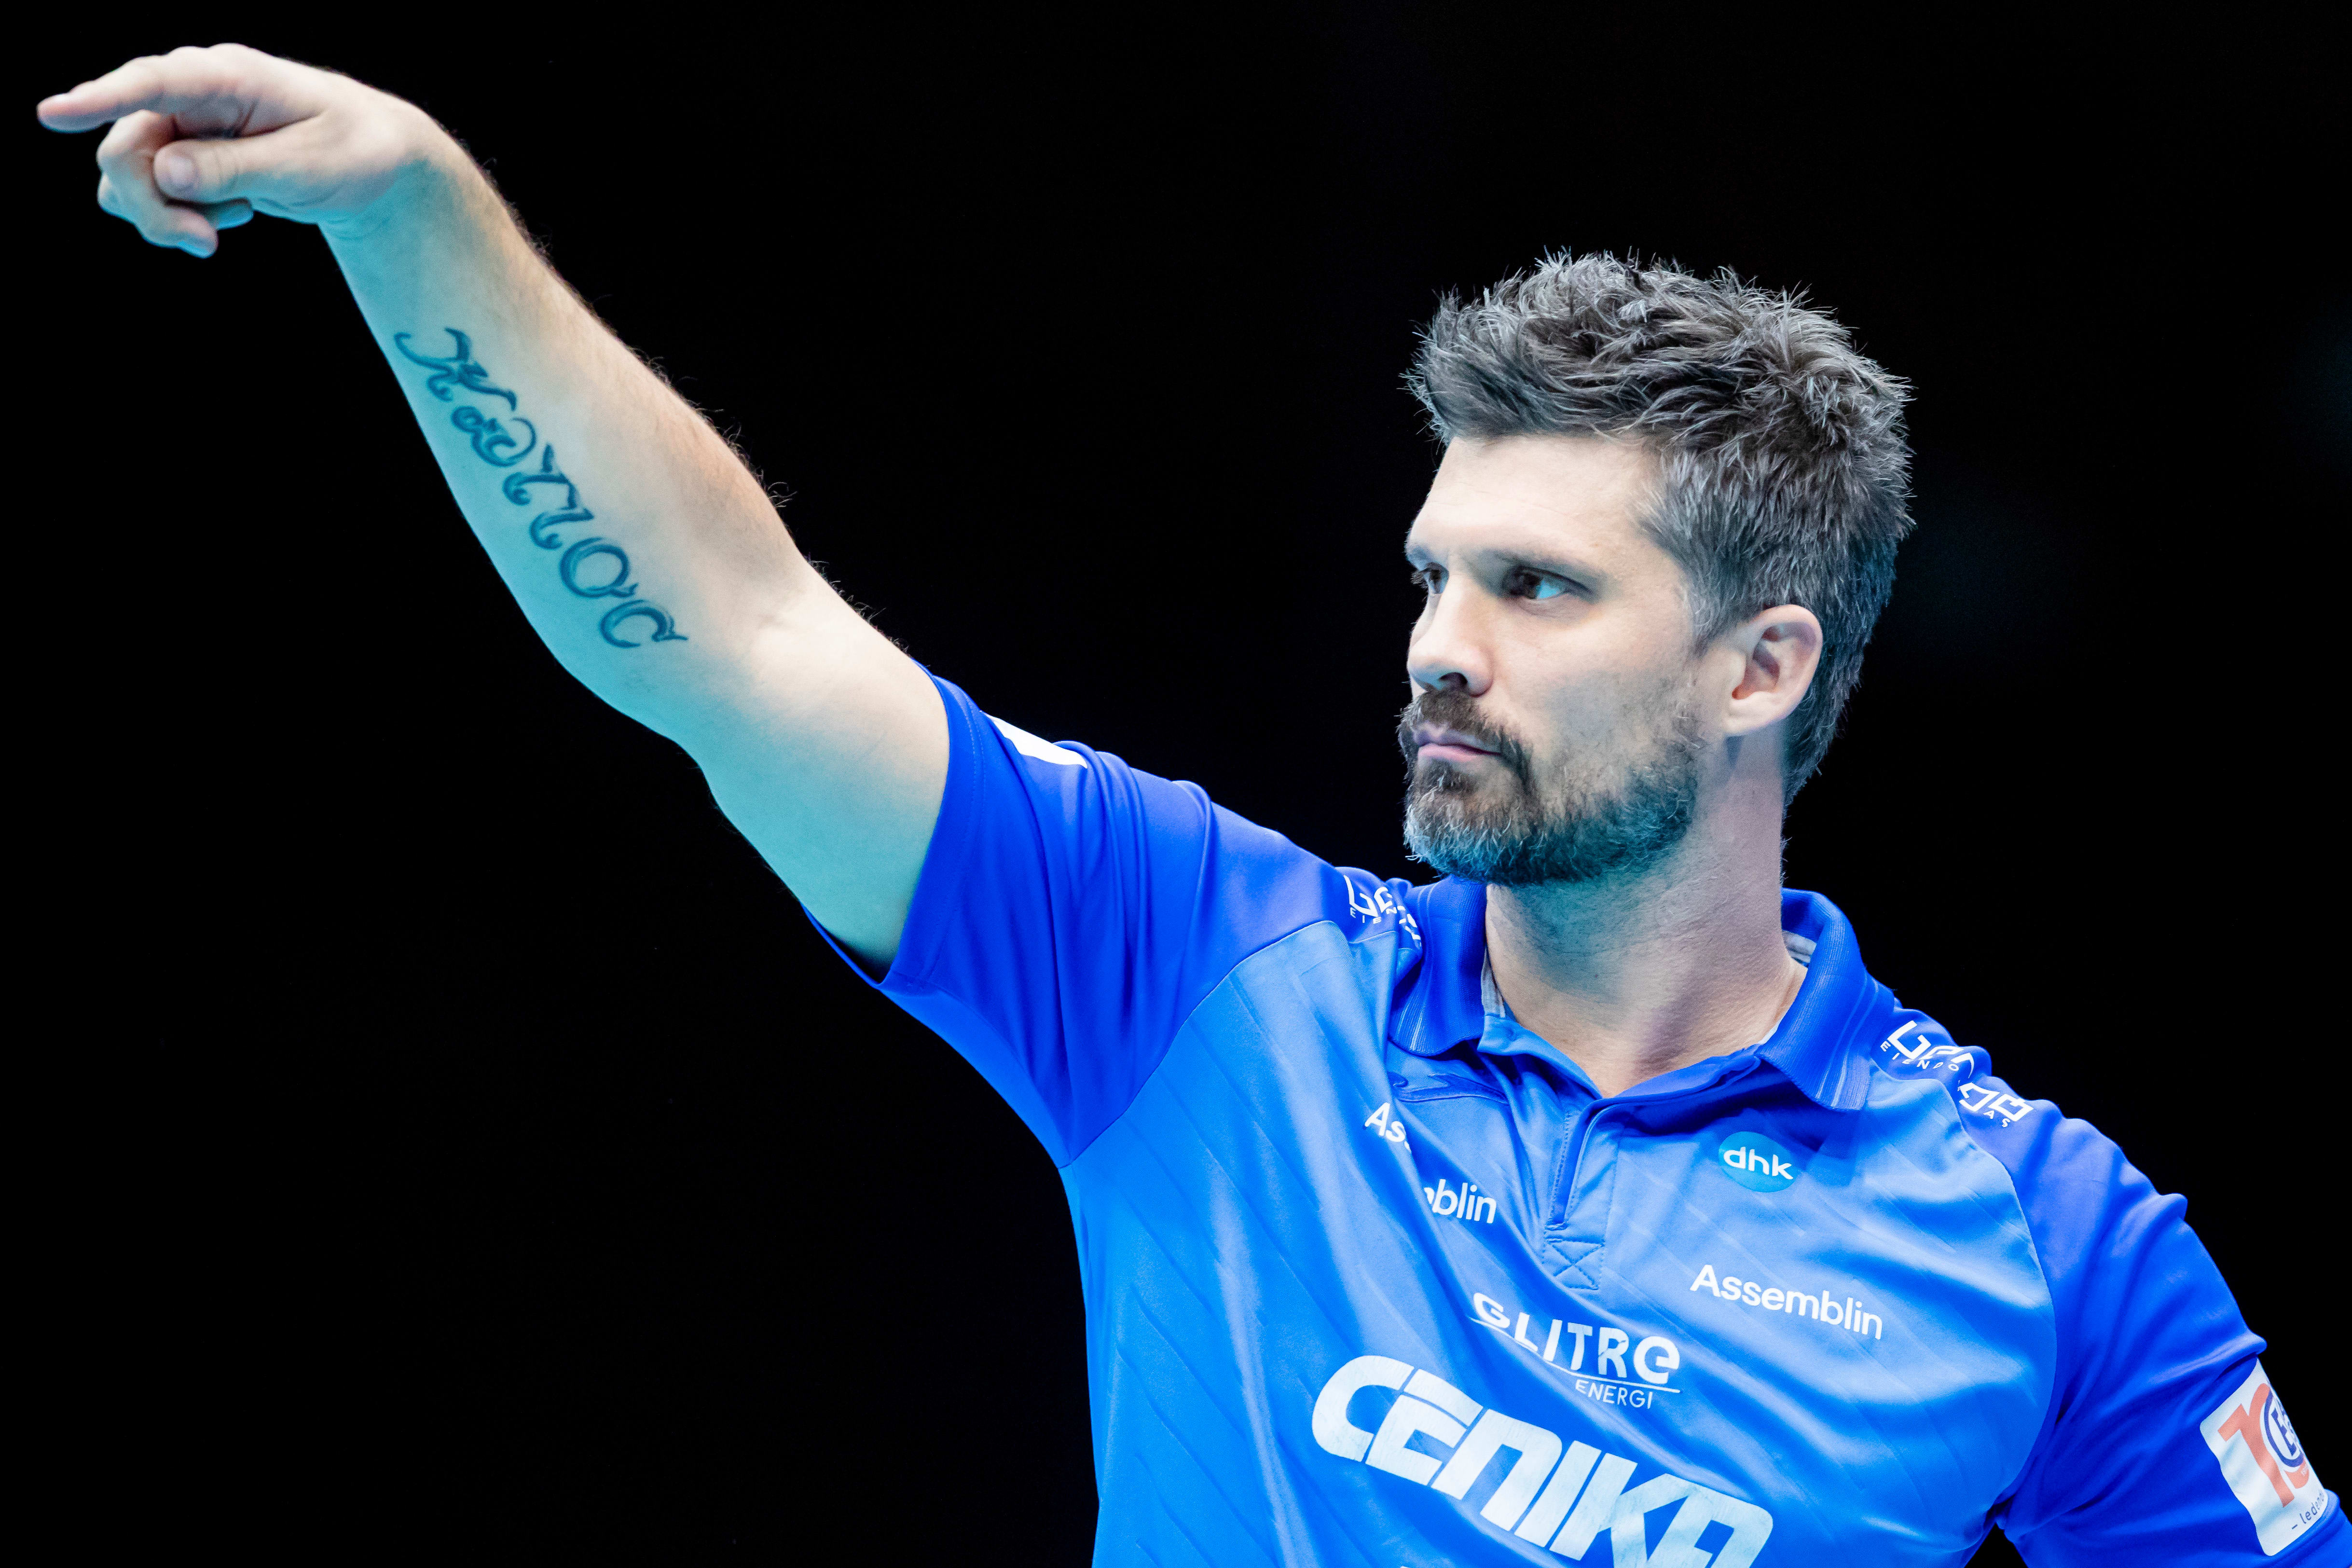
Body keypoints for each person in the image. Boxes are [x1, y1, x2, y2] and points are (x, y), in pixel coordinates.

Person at [40, 43, 2338, 1568]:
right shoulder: (1199, 966)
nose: (1438, 645)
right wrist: (418, 216)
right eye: (1433, 574)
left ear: (1761, 667)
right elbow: (726, 632)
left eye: (1537, 588)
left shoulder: (2050, 1249)